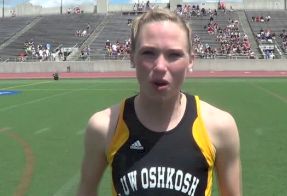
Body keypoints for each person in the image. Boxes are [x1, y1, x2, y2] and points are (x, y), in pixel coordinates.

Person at [77, 8, 242, 196]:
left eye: (174, 55)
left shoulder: (219, 126)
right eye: (148, 52)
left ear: (191, 60)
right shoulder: (104, 126)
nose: (160, 67)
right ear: (132, 57)